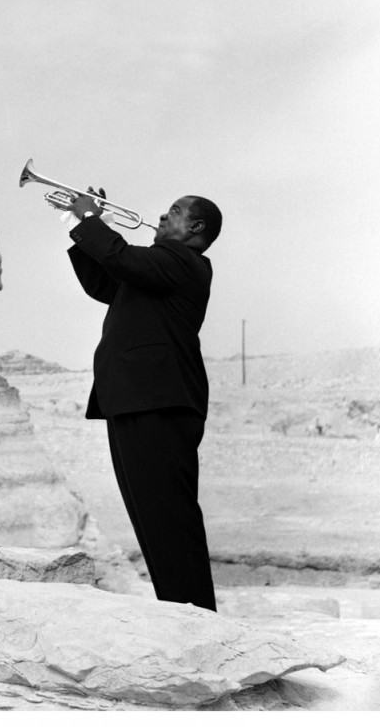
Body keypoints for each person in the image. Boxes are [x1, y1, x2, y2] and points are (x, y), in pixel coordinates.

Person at [66, 188, 222, 611]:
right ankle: (181, 609)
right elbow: (103, 282)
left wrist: (91, 220)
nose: (162, 215)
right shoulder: (157, 270)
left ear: (196, 228)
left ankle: (195, 614)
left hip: (159, 402)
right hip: (134, 399)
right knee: (151, 516)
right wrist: (86, 224)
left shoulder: (183, 262)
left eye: (175, 212)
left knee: (169, 516)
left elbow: (121, 259)